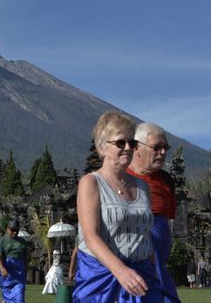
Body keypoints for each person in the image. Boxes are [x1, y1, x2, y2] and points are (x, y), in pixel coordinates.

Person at [73, 111, 162, 302]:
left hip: (143, 279)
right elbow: (90, 236)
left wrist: (155, 271)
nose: (128, 148)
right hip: (103, 282)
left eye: (133, 143)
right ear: (102, 148)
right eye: (121, 142)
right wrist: (121, 271)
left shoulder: (143, 186)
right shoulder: (91, 183)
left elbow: (145, 234)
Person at [127, 122, 180, 302]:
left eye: (166, 147)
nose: (163, 152)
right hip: (131, 269)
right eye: (157, 147)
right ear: (137, 148)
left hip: (159, 265)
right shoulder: (119, 178)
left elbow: (167, 222)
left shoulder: (167, 181)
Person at [0, 219, 28, 303]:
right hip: (7, 275)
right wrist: (2, 268)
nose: (15, 233)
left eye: (16, 230)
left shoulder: (22, 242)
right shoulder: (2, 241)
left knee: (19, 298)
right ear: (7, 229)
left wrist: (25, 271)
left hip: (19, 274)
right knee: (8, 299)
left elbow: (25, 258)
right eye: (12, 230)